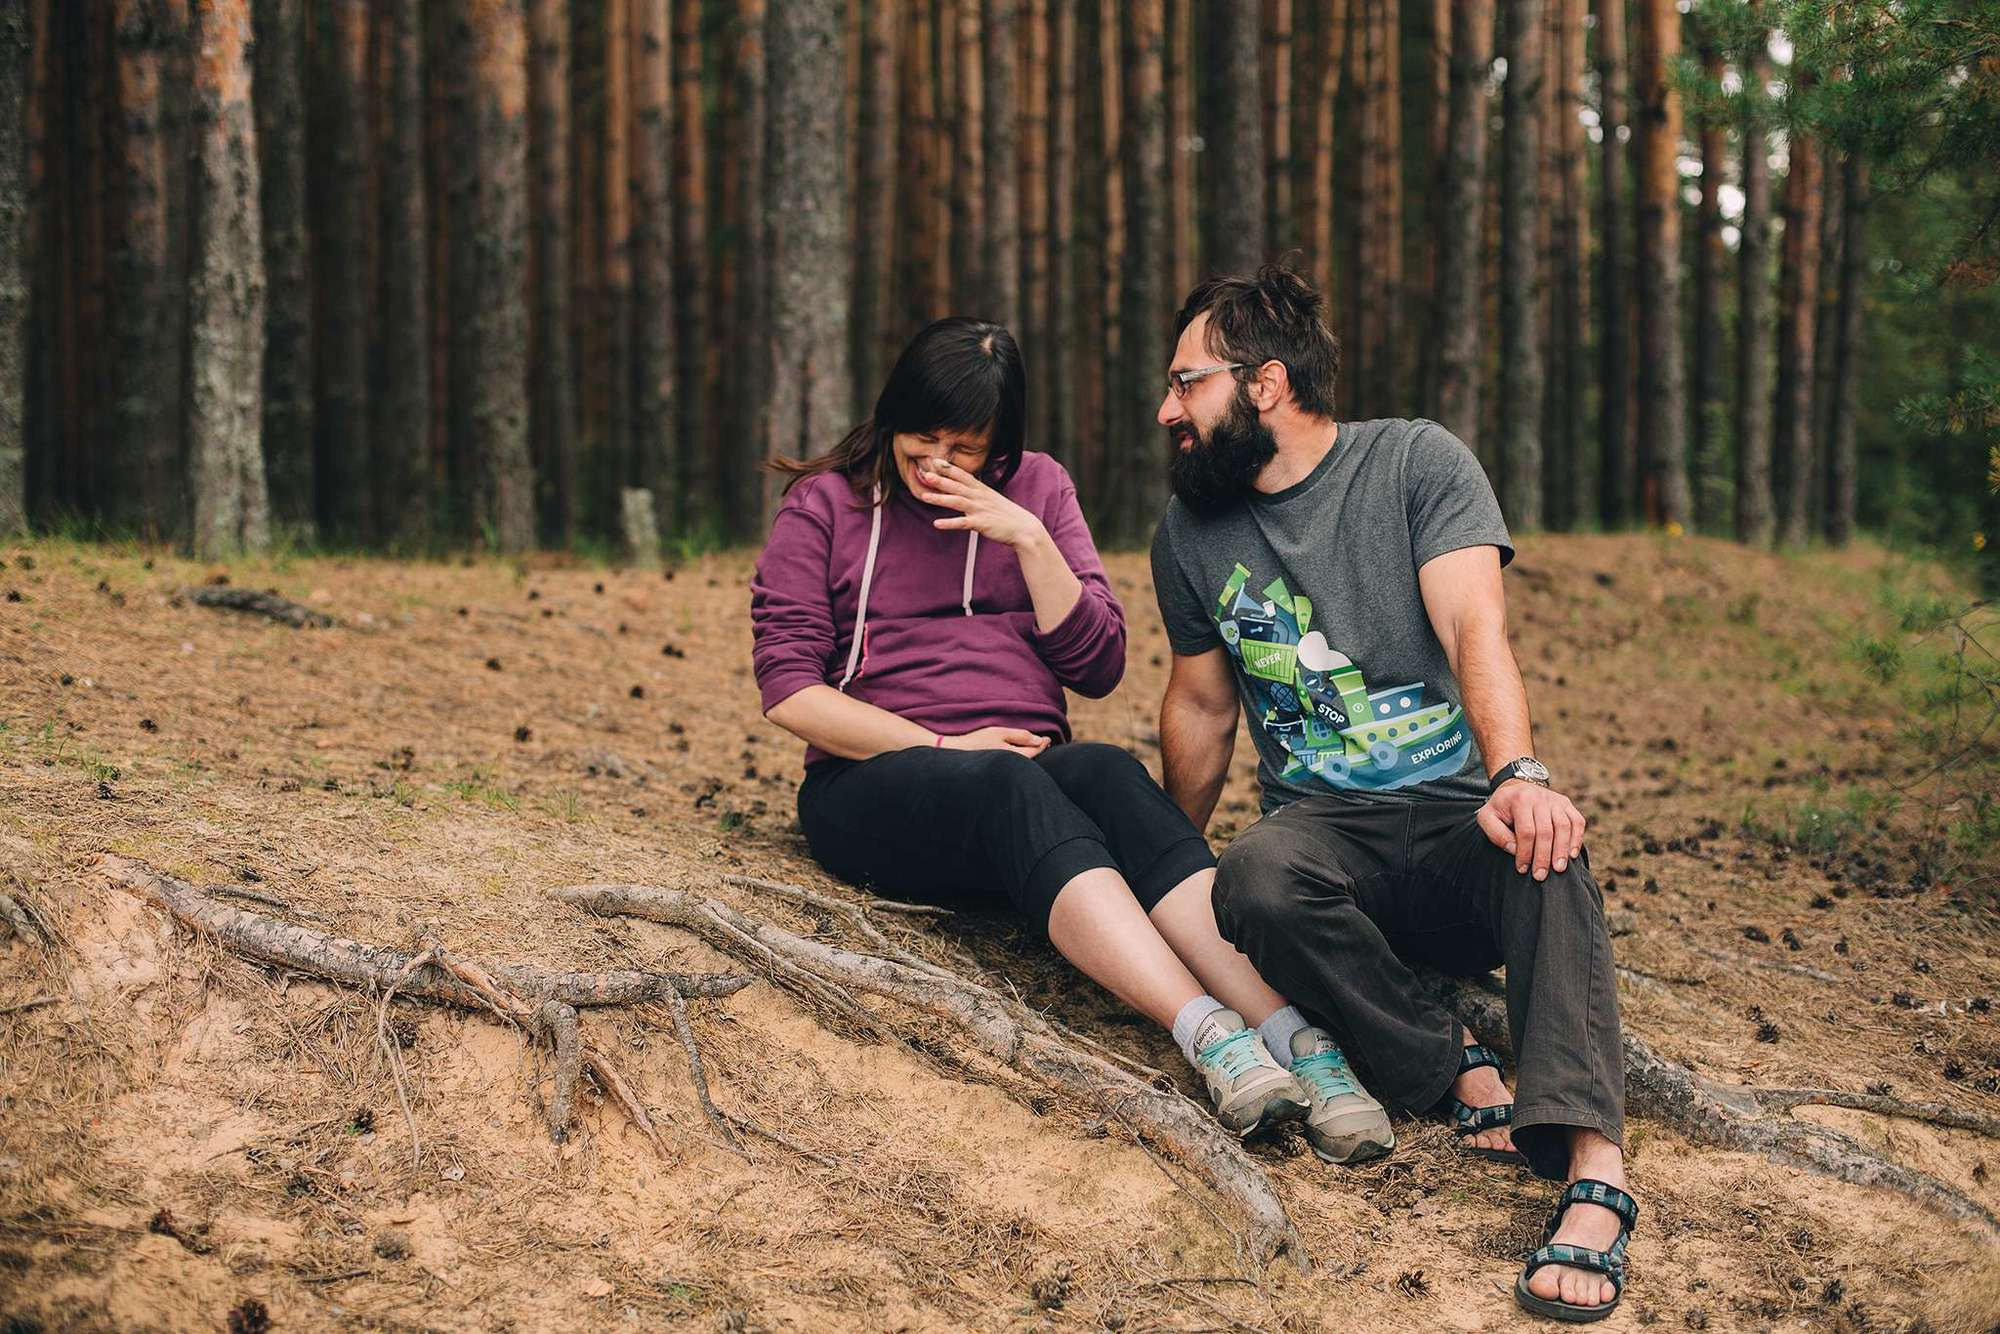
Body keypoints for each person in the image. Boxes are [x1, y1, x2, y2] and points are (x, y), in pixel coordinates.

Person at [750, 316, 1394, 1163]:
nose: (938, 462)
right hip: (872, 782)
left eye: (965, 447)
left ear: (1002, 444)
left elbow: (1097, 666)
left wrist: (1025, 535)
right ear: (892, 413)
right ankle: (1210, 1035)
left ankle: (1295, 1036)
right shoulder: (827, 505)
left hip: (1029, 774)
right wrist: (944, 748)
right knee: (1009, 781)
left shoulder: (1039, 488)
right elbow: (791, 692)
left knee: (1109, 772)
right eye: (922, 438)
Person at [1149, 267, 1636, 1322]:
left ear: (1265, 383)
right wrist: (1163, 856)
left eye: (1186, 383)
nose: (1166, 410)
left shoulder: (1415, 462)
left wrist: (1517, 776)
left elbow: (1473, 627)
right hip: (1326, 847)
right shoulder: (1190, 531)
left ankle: (1593, 1164)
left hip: (1456, 818)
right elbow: (1200, 707)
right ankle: (1450, 1064)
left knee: (1546, 846)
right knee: (1256, 873)